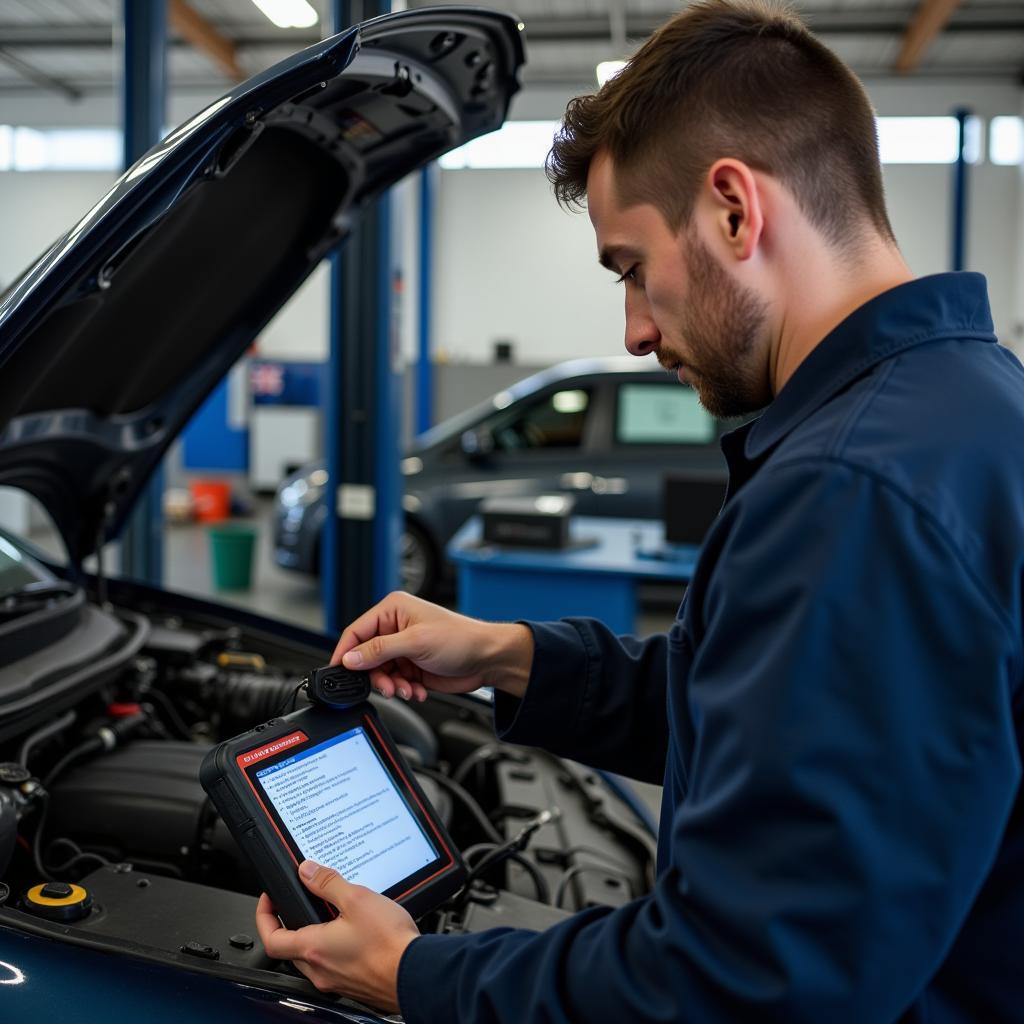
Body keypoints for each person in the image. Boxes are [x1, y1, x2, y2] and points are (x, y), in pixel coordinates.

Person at [254, 1, 1024, 1019]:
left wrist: (411, 973)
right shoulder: (965, 404)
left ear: (735, 211)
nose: (631, 329)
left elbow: (743, 981)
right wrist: (506, 654)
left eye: (631, 269)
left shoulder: (850, 490)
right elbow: (771, 719)